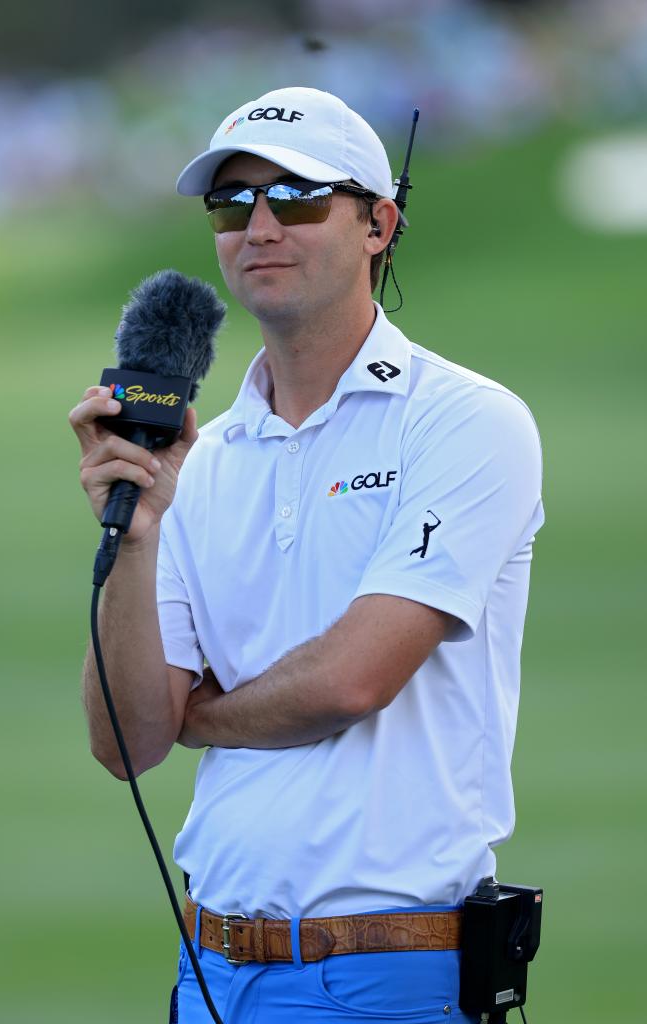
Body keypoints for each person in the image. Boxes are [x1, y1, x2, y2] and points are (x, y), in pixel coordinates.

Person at [69, 86, 544, 1024]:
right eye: (230, 202)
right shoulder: (193, 464)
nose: (258, 226)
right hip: (209, 970)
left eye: (295, 198)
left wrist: (199, 717)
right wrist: (135, 536)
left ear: (378, 223)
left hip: (386, 977)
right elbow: (127, 743)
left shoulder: (465, 420)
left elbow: (351, 681)